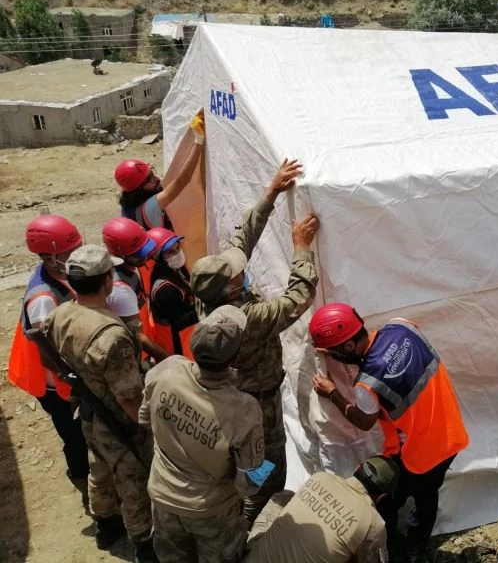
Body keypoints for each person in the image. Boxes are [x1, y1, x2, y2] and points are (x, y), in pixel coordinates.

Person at [189, 158, 319, 524]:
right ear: (232, 287)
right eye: (237, 273)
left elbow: (241, 240)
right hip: (258, 403)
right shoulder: (249, 320)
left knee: (241, 458)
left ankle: (238, 496)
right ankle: (249, 515)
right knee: (268, 467)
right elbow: (299, 297)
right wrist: (301, 248)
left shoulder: (207, 297)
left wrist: (272, 191)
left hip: (227, 395)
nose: (242, 268)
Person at [310, 304, 469, 562]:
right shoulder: (402, 325)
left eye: (334, 354)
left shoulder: (368, 382)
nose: (335, 359)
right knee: (428, 495)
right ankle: (417, 545)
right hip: (450, 435)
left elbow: (363, 421)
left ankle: (393, 555)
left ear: (349, 348)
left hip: (418, 456)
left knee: (384, 502)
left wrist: (333, 393)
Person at [41, 245, 156, 561]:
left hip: (90, 415)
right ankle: (144, 544)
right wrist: (148, 428)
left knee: (99, 469)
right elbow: (130, 397)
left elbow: (46, 357)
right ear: (107, 280)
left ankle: (106, 526)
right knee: (132, 481)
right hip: (119, 421)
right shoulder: (111, 334)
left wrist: (77, 382)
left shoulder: (60, 314)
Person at [140, 305, 270, 563]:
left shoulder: (168, 368)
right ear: (234, 359)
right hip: (211, 511)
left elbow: (144, 419)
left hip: (162, 497)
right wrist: (267, 463)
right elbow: (250, 484)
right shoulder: (243, 408)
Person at [6, 215, 90, 499]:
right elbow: (49, 353)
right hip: (56, 384)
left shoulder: (58, 274)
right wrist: (76, 380)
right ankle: (80, 472)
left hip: (63, 379)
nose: (75, 254)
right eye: (70, 251)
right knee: (75, 436)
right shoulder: (43, 298)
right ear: (49, 256)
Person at [244, 455, 399, 563]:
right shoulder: (372, 522)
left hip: (253, 558)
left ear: (357, 468)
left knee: (285, 497)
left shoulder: (320, 477)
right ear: (382, 497)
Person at [115, 110, 205, 230]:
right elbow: (182, 181)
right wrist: (198, 140)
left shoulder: (128, 203)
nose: (157, 178)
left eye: (152, 173)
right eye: (150, 179)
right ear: (139, 190)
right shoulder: (150, 207)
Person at [102, 216, 169, 363]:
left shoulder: (134, 264)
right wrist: (170, 360)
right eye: (138, 253)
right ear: (119, 255)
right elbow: (139, 338)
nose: (145, 255)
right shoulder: (120, 291)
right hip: (135, 355)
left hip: (147, 341)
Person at [146, 227, 198, 357]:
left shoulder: (174, 271)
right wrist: (206, 307)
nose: (177, 253)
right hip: (179, 345)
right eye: (170, 252)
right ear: (158, 258)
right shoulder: (164, 290)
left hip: (188, 338)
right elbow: (179, 321)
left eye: (177, 248)